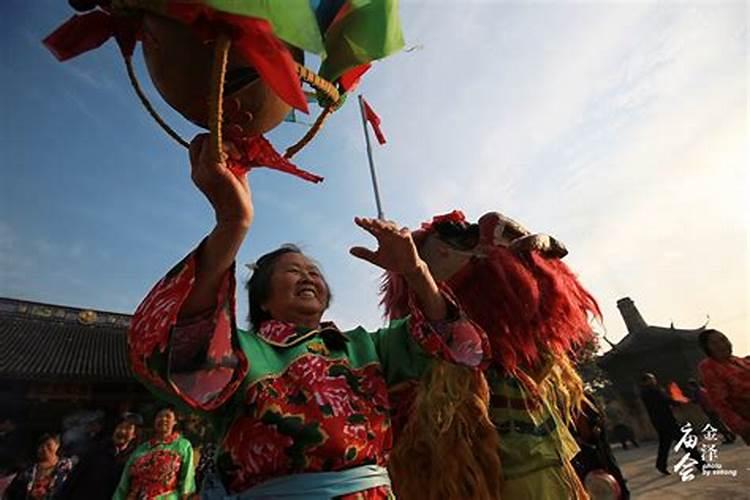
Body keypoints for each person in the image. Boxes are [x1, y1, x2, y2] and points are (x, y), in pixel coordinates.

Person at [127, 135, 487, 498]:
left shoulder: (365, 347)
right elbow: (169, 349)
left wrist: (416, 272)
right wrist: (232, 223)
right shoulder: (244, 352)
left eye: (313, 271)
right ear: (263, 299)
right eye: (292, 271)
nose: (308, 276)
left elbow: (462, 348)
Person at [113, 407, 195, 500]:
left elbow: (187, 478)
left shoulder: (183, 445)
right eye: (159, 416)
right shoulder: (141, 449)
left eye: (167, 416)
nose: (163, 419)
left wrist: (186, 496)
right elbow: (124, 481)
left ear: (175, 421)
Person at [57, 418, 138, 500]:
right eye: (120, 427)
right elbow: (74, 477)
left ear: (134, 435)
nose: (122, 431)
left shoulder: (131, 460)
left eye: (128, 428)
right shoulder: (96, 450)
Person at [640, 373, 703, 475]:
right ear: (646, 381)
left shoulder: (646, 392)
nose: (654, 381)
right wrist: (679, 402)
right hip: (667, 421)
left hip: (659, 422)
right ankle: (701, 464)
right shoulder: (653, 391)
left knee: (664, 445)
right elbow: (665, 400)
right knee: (685, 442)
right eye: (652, 379)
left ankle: (661, 465)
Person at [697, 329, 750, 445]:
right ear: (707, 348)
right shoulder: (710, 368)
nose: (722, 345)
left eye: (723, 340)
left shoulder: (739, 361)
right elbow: (719, 403)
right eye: (714, 343)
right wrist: (742, 427)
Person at [5, 434, 75, 500]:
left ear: (57, 445)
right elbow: (12, 492)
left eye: (48, 445)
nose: (44, 448)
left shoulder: (67, 465)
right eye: (41, 445)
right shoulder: (28, 470)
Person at [686, 379, 735, 444]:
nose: (690, 389)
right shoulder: (702, 390)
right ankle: (730, 435)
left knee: (718, 424)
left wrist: (689, 400)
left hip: (710, 410)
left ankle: (729, 437)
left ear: (692, 386)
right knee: (719, 424)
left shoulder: (698, 393)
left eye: (690, 387)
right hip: (712, 409)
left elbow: (700, 401)